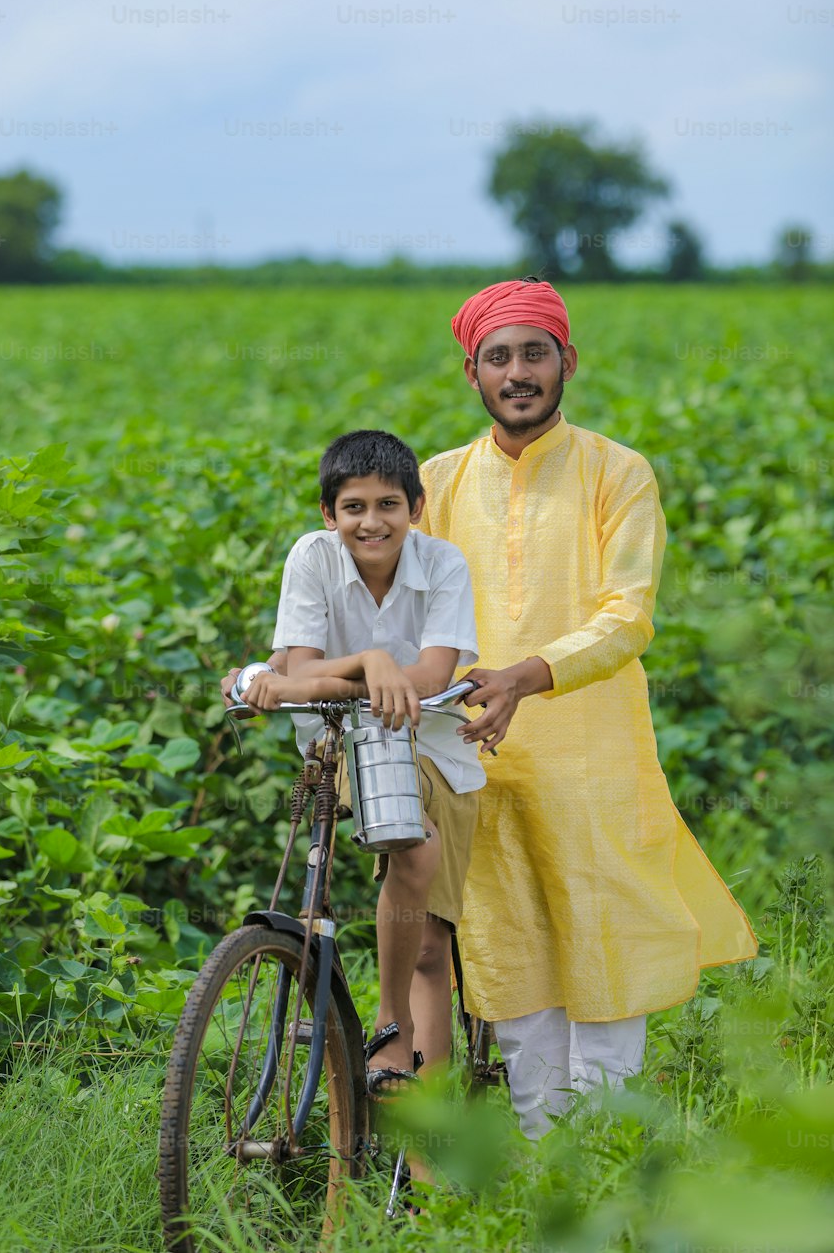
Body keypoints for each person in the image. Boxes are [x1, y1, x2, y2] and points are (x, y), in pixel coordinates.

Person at [418, 277, 758, 1137]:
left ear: (568, 361)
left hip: (595, 763)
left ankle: (601, 1169)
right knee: (513, 962)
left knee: (605, 957)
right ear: (473, 373)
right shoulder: (438, 483)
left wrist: (525, 676)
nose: (519, 372)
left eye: (536, 353)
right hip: (477, 762)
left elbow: (626, 616)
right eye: (500, 357)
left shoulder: (618, 472)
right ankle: (544, 1174)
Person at [238, 429, 481, 1094]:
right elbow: (299, 671)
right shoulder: (312, 556)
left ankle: (398, 1040)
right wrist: (370, 664)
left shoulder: (444, 564)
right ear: (328, 513)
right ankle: (391, 1031)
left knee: (431, 936)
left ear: (416, 507)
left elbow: (430, 677)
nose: (371, 522)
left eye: (387, 505)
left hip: (431, 740)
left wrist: (299, 682)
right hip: (341, 738)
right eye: (353, 508)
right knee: (413, 852)